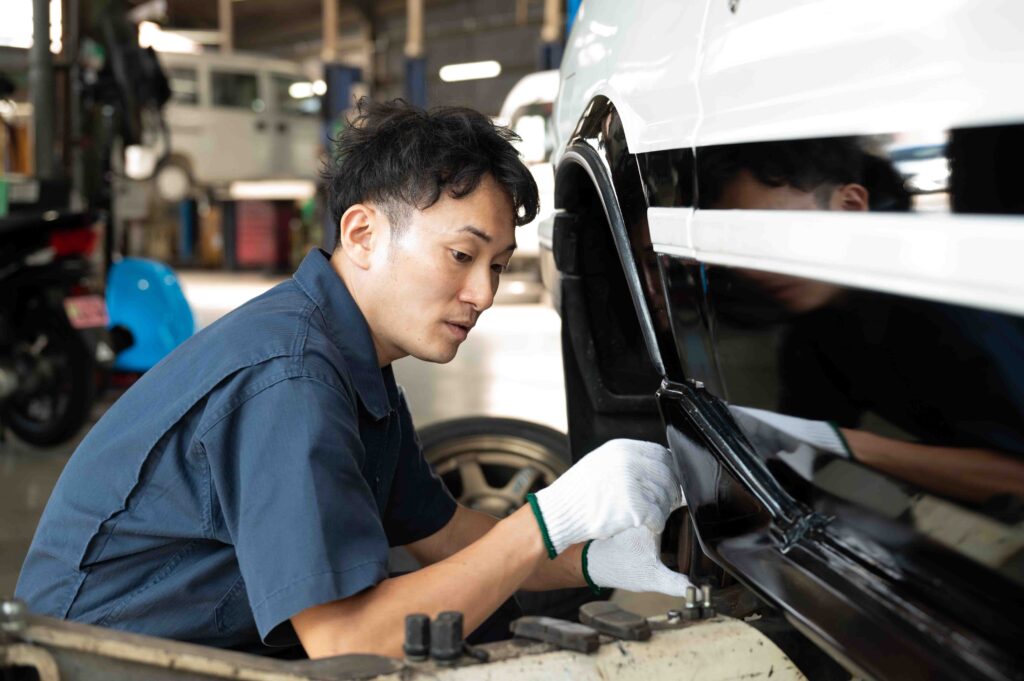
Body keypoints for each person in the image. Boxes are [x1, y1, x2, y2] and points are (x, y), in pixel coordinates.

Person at [15, 100, 689, 659]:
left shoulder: (352, 360)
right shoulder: (292, 380)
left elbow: (451, 538)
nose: (482, 293)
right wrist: (547, 521)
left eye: (498, 265)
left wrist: (592, 561)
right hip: (102, 665)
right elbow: (347, 639)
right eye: (461, 255)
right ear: (362, 233)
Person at [699, 137, 1024, 504]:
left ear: (851, 206)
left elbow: (1017, 476)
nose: (753, 269)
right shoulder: (819, 317)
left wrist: (850, 445)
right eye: (731, 246)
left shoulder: (951, 301)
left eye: (769, 235)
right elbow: (795, 447)